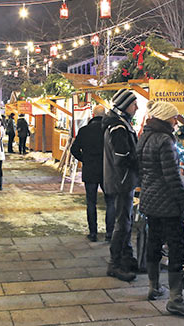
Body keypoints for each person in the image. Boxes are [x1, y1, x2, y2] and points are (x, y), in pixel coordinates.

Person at [138, 101, 184, 319]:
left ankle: (153, 287)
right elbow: (172, 177)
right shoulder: (165, 140)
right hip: (167, 203)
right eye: (174, 117)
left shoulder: (145, 137)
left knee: (154, 242)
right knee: (176, 247)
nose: (176, 121)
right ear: (165, 118)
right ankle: (176, 300)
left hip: (150, 200)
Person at [102, 89, 140, 282]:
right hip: (121, 181)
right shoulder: (119, 127)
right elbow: (122, 157)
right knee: (122, 223)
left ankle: (126, 258)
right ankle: (115, 263)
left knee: (126, 221)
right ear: (125, 106)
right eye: (134, 104)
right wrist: (139, 161)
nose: (137, 108)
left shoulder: (120, 124)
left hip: (122, 180)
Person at [70, 105, 115, 242]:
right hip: (106, 170)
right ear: (105, 115)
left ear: (93, 115)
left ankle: (93, 233)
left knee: (91, 202)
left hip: (90, 170)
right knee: (110, 202)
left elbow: (74, 149)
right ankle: (109, 233)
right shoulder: (109, 130)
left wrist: (85, 160)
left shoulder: (84, 131)